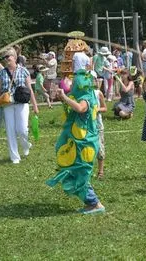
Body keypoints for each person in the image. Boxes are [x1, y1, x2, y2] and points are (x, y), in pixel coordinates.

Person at [46, 62, 105, 214]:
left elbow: (80, 108)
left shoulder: (86, 97)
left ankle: (95, 203)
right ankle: (91, 202)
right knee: (75, 170)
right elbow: (72, 109)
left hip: (84, 143)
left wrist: (64, 97)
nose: (71, 83)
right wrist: (62, 97)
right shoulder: (81, 95)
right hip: (77, 141)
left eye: (74, 81)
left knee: (80, 172)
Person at [0, 48, 39, 164]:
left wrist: (35, 105)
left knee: (22, 129)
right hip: (7, 104)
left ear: (14, 57)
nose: (6, 59)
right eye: (4, 58)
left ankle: (26, 145)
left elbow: (30, 89)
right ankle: (14, 157)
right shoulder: (1, 73)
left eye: (8, 57)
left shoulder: (24, 71)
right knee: (10, 130)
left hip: (22, 103)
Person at [93, 77, 107, 179]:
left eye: (94, 79)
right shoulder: (82, 94)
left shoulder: (98, 93)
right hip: (86, 125)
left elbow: (105, 108)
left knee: (100, 148)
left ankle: (100, 171)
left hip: (97, 125)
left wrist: (97, 109)